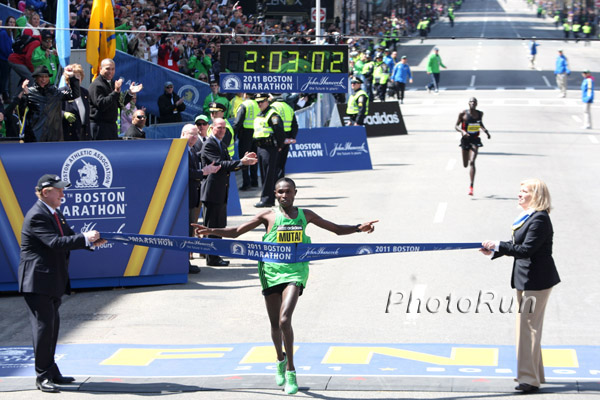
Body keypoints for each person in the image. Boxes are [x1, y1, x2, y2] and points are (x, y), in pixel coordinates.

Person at [193, 177, 378, 395]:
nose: (284, 195)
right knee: (274, 325)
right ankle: (279, 359)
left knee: (284, 319)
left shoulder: (305, 215)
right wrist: (210, 230)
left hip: (295, 270)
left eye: (288, 192)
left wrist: (358, 228)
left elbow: (336, 229)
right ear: (275, 193)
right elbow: (237, 232)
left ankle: (291, 370)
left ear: (295, 193)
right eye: (280, 192)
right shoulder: (267, 215)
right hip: (270, 271)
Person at [18, 174, 106, 393]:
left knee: (52, 327)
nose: (62, 194)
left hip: (51, 280)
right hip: (37, 281)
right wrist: (86, 237)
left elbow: (69, 237)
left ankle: (51, 370)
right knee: (43, 328)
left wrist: (91, 242)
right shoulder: (37, 215)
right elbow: (55, 243)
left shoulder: (55, 213)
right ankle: (42, 375)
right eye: (58, 190)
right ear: (46, 192)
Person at [480, 178, 560, 394]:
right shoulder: (529, 217)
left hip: (536, 280)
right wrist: (496, 250)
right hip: (526, 279)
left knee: (528, 329)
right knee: (528, 328)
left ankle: (529, 380)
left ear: (536, 195)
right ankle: (535, 374)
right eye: (520, 190)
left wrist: (499, 245)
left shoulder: (540, 219)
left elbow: (526, 250)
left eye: (524, 191)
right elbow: (518, 246)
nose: (519, 194)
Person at [200, 117, 257, 266]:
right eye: (219, 127)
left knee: (219, 226)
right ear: (212, 128)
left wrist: (244, 163)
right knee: (212, 227)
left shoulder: (221, 143)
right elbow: (219, 164)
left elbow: (229, 164)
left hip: (220, 191)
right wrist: (241, 162)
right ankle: (212, 258)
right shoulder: (209, 144)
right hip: (212, 192)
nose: (222, 130)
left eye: (224, 128)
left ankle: (214, 255)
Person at [182, 123, 221, 273]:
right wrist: (203, 172)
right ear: (183, 134)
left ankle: (186, 261)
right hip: (185, 196)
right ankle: (184, 263)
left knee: (189, 230)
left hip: (193, 196)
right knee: (185, 231)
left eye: (196, 134)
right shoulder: (181, 151)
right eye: (191, 134)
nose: (194, 137)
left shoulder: (192, 150)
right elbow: (186, 172)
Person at [18, 65, 79, 142]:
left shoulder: (55, 92)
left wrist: (72, 77)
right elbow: (21, 112)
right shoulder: (30, 92)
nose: (44, 79)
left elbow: (75, 95)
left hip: (54, 137)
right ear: (36, 78)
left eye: (46, 77)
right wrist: (25, 95)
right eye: (41, 77)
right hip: (35, 137)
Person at [89, 58, 143, 140]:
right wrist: (115, 92)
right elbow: (101, 104)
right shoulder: (96, 85)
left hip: (111, 128)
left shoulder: (111, 83)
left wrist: (130, 93)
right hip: (100, 128)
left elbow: (119, 103)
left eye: (113, 69)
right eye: (107, 68)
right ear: (100, 69)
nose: (110, 71)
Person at [253, 94, 285, 208]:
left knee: (269, 175)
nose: (259, 104)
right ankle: (267, 199)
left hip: (269, 147)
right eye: (258, 102)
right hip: (261, 147)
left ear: (267, 101)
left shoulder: (272, 115)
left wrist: (280, 146)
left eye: (262, 101)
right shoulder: (260, 114)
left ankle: (267, 199)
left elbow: (280, 132)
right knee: (264, 174)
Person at [455, 97, 491, 196]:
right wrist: (462, 131)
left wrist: (486, 132)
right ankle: (467, 163)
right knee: (465, 164)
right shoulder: (463, 113)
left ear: (477, 104)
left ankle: (471, 186)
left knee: (472, 162)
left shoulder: (480, 113)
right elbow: (456, 126)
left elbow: (480, 123)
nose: (472, 103)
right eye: (471, 102)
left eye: (474, 102)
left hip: (475, 139)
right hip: (465, 140)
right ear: (468, 103)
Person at [232, 93, 260, 191]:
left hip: (245, 135)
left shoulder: (244, 105)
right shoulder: (258, 104)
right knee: (254, 158)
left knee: (244, 158)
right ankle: (254, 181)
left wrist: (232, 135)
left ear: (245, 94)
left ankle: (246, 183)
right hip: (256, 134)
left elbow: (237, 122)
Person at [270, 95, 298, 180]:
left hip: (276, 137)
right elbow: (295, 125)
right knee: (281, 163)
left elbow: (276, 125)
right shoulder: (289, 107)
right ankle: (281, 182)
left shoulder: (272, 107)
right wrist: (291, 138)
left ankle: (274, 183)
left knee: (274, 163)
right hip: (287, 137)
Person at [61, 64, 91, 141]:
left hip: (84, 132)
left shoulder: (85, 92)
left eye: (78, 76)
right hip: (69, 132)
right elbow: (54, 110)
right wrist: (64, 114)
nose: (77, 78)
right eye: (74, 76)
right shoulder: (62, 91)